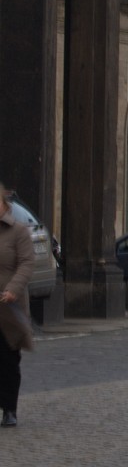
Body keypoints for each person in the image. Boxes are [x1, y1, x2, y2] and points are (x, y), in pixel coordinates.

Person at [0, 182, 35, 427]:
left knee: (8, 359)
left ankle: (9, 409)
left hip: (8, 307)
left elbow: (27, 264)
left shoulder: (19, 231)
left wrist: (12, 289)